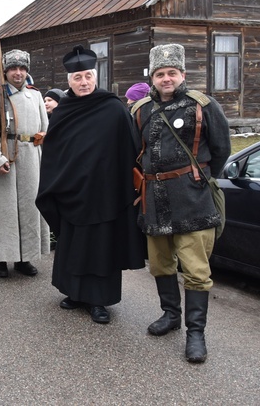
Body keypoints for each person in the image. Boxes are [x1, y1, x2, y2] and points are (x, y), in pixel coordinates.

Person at [132, 44, 230, 363]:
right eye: (160, 74)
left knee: (196, 271)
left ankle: (196, 334)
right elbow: (134, 151)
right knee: (161, 264)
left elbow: (221, 150)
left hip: (193, 199)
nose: (166, 78)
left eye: (172, 73)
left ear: (182, 75)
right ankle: (171, 315)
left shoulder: (202, 105)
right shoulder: (140, 110)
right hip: (154, 199)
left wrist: (196, 179)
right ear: (152, 78)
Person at [36, 45, 145, 324]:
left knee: (101, 246)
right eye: (77, 78)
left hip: (106, 192)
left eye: (87, 76)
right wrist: (59, 182)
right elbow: (54, 152)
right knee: (73, 244)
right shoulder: (63, 111)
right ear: (69, 81)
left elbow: (129, 149)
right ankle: (74, 293)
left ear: (95, 76)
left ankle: (99, 301)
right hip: (72, 190)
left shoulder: (112, 108)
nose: (83, 82)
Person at [0, 49, 50, 278]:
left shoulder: (35, 95)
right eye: (13, 69)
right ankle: (1, 258)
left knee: (30, 208)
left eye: (22, 69)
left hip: (31, 157)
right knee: (4, 210)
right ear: (5, 71)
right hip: (5, 155)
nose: (18, 73)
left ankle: (25, 257)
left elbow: (45, 126)